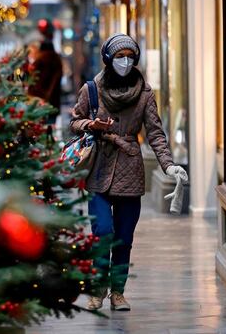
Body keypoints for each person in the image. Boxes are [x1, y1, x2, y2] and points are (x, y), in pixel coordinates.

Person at [69, 33, 188, 312]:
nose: (125, 61)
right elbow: (74, 122)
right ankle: (98, 290)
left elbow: (156, 133)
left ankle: (118, 293)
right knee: (102, 232)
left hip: (130, 170)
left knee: (124, 237)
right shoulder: (92, 89)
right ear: (108, 59)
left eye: (129, 56)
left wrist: (168, 164)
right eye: (119, 56)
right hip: (99, 168)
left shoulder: (144, 93)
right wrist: (91, 125)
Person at [28, 37, 64, 125]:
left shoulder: (39, 61)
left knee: (39, 126)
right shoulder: (57, 61)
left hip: (38, 99)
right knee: (50, 125)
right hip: (53, 99)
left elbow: (33, 80)